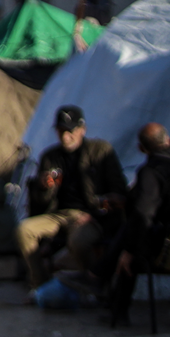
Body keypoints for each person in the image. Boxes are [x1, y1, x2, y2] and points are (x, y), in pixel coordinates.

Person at [101, 123, 170, 322]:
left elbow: (143, 213)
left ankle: (114, 306)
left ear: (141, 149)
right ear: (169, 140)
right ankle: (99, 275)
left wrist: (129, 251)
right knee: (135, 235)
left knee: (132, 242)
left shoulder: (152, 170)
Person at [16, 105, 128, 293]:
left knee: (78, 241)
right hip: (58, 214)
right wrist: (43, 187)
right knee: (24, 231)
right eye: (61, 131)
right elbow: (39, 204)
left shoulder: (100, 151)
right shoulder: (50, 156)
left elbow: (118, 191)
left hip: (90, 215)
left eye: (70, 131)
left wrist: (97, 211)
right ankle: (40, 285)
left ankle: (94, 283)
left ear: (82, 130)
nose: (65, 137)